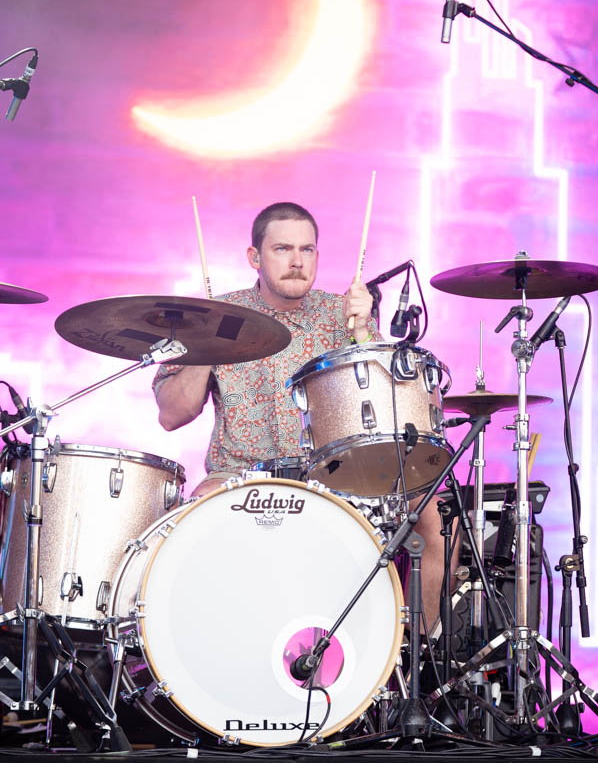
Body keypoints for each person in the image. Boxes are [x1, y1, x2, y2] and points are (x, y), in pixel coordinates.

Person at [153, 201, 450, 631]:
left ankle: (408, 655)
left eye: (307, 250)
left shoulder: (342, 313)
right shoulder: (219, 314)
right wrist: (207, 344)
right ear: (255, 257)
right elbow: (171, 415)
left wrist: (362, 331)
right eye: (283, 249)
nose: (297, 261)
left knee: (434, 517)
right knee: (198, 513)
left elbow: (391, 402)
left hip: (336, 475)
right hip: (241, 474)